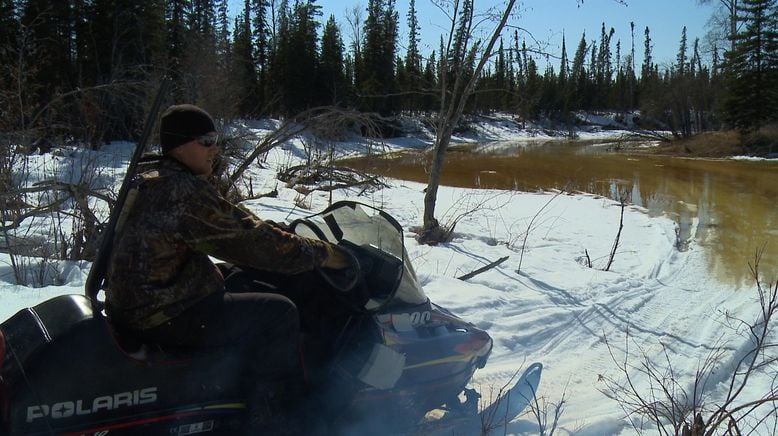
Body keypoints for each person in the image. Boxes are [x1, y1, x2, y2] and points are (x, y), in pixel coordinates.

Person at [104, 103, 351, 433]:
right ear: (180, 145)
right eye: (205, 140)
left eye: (215, 139)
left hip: (143, 303)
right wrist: (326, 254)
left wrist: (272, 231)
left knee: (242, 277)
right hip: (163, 315)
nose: (214, 148)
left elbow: (229, 226)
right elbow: (255, 244)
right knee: (279, 314)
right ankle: (275, 417)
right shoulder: (183, 191)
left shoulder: (153, 179)